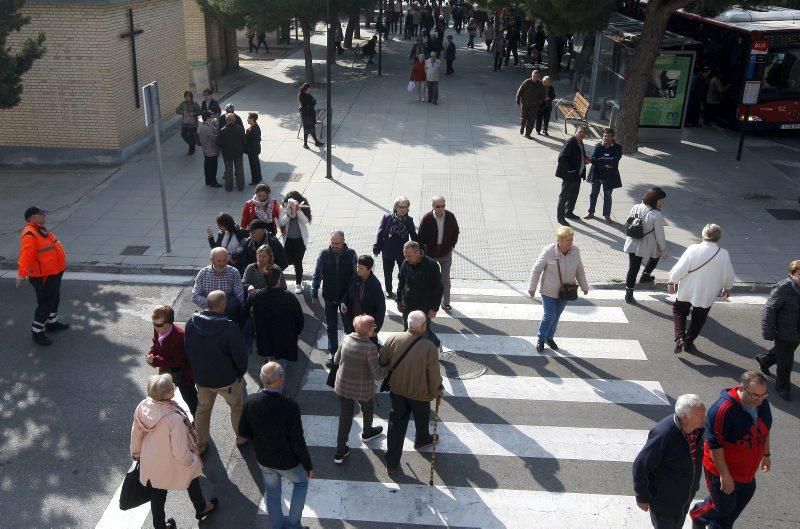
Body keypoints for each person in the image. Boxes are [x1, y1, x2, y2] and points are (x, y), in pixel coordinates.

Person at [130, 374, 218, 529]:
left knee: (158, 495)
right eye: (172, 387)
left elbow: (136, 434)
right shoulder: (174, 418)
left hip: (151, 459)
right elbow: (179, 451)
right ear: (167, 395)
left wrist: (136, 453)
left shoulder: (143, 406)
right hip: (171, 459)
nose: (174, 387)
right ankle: (201, 508)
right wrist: (191, 460)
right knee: (191, 476)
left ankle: (160, 526)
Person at [689, 372, 772, 529]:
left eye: (763, 395)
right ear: (741, 388)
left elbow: (765, 428)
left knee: (733, 511)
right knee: (723, 506)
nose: (760, 400)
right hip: (721, 469)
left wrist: (766, 454)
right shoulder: (723, 410)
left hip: (746, 472)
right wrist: (724, 476)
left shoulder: (761, 402)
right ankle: (698, 514)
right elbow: (715, 445)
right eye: (755, 395)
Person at [238, 362, 313, 529]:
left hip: (264, 458)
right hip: (288, 461)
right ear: (280, 379)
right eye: (283, 374)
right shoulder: (289, 406)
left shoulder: (251, 401)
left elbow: (243, 431)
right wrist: (307, 464)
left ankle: (276, 526)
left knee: (272, 493)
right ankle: (293, 525)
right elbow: (297, 440)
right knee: (300, 484)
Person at [184, 290, 248, 454]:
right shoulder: (230, 327)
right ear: (223, 305)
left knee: (203, 409)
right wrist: (240, 373)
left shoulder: (192, 322)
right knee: (236, 408)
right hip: (227, 379)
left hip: (203, 378)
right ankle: (241, 437)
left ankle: (200, 444)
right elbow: (240, 356)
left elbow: (187, 349)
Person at [379, 310, 443, 474]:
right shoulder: (429, 347)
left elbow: (382, 360)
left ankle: (392, 463)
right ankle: (421, 440)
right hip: (420, 394)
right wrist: (437, 390)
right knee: (422, 417)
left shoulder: (394, 338)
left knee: (396, 424)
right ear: (422, 327)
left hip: (397, 390)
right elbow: (434, 374)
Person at [632, 394, 706, 529]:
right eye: (700, 415)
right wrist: (642, 496)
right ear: (684, 417)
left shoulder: (697, 430)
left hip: (684, 497)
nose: (704, 418)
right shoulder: (664, 434)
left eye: (704, 413)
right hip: (664, 503)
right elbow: (640, 465)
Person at [668, 224, 735, 355]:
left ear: (703, 235)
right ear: (718, 238)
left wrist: (672, 281)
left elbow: (680, 268)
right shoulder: (723, 254)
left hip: (688, 288)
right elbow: (728, 274)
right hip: (707, 293)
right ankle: (688, 341)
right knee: (699, 319)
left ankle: (680, 338)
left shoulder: (693, 249)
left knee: (679, 311)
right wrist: (727, 287)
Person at [332, 314, 387, 463]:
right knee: (367, 408)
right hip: (363, 388)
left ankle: (340, 449)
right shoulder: (370, 347)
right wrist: (389, 366)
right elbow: (377, 375)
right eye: (373, 326)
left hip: (343, 385)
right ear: (369, 331)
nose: (375, 328)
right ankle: (367, 432)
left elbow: (336, 360)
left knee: (345, 416)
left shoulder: (346, 338)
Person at [527, 226, 589, 352]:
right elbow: (536, 270)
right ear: (559, 240)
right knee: (549, 315)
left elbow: (579, 270)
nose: (571, 242)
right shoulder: (549, 251)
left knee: (556, 316)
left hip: (565, 291)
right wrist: (532, 288)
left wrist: (584, 286)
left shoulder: (575, 251)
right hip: (548, 291)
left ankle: (550, 337)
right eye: (568, 240)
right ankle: (541, 338)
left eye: (571, 239)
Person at [17, 206, 69, 346]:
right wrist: (21, 274)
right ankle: (37, 332)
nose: (44, 216)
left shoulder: (40, 229)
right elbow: (26, 255)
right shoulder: (30, 233)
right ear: (32, 217)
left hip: (53, 272)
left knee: (54, 298)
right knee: (45, 303)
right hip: (42, 276)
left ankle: (52, 323)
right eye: (41, 214)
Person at [244, 265, 304, 372]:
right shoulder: (289, 297)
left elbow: (244, 312)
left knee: (270, 360)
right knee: (281, 365)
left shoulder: (256, 295)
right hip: (285, 337)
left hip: (265, 337)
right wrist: (298, 332)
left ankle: (270, 383)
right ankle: (277, 385)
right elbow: (299, 317)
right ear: (279, 279)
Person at [312, 230, 358, 367]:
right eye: (332, 243)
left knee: (348, 326)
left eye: (337, 243)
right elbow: (317, 274)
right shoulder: (324, 254)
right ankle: (333, 352)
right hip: (329, 296)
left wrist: (350, 295)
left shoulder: (351, 255)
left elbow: (354, 277)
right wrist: (314, 293)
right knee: (331, 326)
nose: (335, 246)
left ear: (343, 241)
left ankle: (349, 351)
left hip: (345, 297)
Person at [757, 259, 800, 401]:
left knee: (783, 353)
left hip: (797, 333)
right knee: (786, 362)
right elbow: (769, 310)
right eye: (799, 274)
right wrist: (768, 331)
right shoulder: (783, 288)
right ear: (791, 274)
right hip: (784, 332)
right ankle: (782, 387)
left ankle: (765, 360)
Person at [146, 305, 198, 417]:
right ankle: (164, 420)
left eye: (158, 325)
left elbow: (177, 361)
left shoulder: (179, 336)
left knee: (191, 399)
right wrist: (151, 354)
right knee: (161, 397)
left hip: (183, 374)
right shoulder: (158, 329)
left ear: (168, 325)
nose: (155, 327)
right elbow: (156, 344)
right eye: (153, 323)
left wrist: (155, 361)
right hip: (166, 369)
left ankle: (198, 426)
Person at [623, 187, 668, 304]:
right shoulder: (656, 214)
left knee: (633, 268)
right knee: (656, 255)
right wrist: (663, 249)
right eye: (661, 200)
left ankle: (629, 294)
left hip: (632, 241)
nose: (663, 202)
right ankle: (646, 275)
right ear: (655, 200)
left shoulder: (635, 207)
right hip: (647, 243)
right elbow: (659, 234)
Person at [396, 241, 443, 348]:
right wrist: (398, 300)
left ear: (418, 253)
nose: (406, 258)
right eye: (405, 255)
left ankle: (437, 347)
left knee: (424, 333)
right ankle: (408, 352)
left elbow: (438, 289)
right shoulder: (405, 264)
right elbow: (401, 282)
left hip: (424, 307)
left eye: (409, 256)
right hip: (408, 306)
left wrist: (434, 308)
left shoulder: (431, 265)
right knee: (407, 331)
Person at [417, 196, 459, 311]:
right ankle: (429, 302)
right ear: (433, 207)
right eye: (438, 206)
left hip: (446, 253)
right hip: (430, 254)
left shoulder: (450, 217)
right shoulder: (427, 218)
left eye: (443, 206)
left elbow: (456, 231)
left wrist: (452, 245)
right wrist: (422, 251)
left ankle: (446, 302)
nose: (441, 209)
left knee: (445, 279)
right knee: (430, 279)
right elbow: (420, 236)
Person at [373, 196, 418, 298]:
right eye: (400, 207)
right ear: (395, 208)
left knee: (403, 273)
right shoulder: (387, 218)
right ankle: (388, 290)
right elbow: (380, 233)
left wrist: (420, 247)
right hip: (388, 250)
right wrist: (376, 247)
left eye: (405, 207)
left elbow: (413, 235)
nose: (402, 209)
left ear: (407, 208)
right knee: (388, 272)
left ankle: (401, 290)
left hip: (402, 252)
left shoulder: (409, 220)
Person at [192, 247, 245, 322]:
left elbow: (240, 296)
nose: (222, 264)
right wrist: (212, 306)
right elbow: (195, 295)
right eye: (219, 261)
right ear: (211, 260)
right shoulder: (203, 273)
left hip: (229, 314)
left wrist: (225, 307)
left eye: (224, 260)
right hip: (209, 315)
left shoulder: (234, 272)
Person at [341, 255, 386, 343]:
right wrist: (343, 302)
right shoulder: (354, 277)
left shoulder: (375, 285)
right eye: (357, 267)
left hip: (366, 326)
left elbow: (381, 309)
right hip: (352, 323)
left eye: (361, 268)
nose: (358, 270)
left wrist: (375, 330)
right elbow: (347, 292)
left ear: (369, 269)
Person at [584, 128, 623, 223]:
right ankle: (591, 212)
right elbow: (593, 159)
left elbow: (615, 160)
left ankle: (607, 215)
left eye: (609, 136)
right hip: (597, 174)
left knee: (608, 196)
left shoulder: (617, 147)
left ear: (613, 137)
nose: (606, 138)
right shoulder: (598, 146)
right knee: (593, 194)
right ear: (603, 136)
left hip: (609, 176)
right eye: (605, 136)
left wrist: (600, 160)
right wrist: (605, 163)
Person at [555, 124, 589, 226]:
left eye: (583, 133)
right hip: (570, 175)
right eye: (580, 132)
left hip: (577, 175)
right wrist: (571, 170)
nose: (581, 134)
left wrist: (585, 159)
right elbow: (561, 157)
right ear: (575, 132)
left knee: (574, 195)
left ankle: (568, 212)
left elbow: (580, 155)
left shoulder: (580, 142)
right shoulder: (571, 142)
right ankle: (560, 218)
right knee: (564, 196)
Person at [278, 191, 312, 294]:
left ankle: (298, 283)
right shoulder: (284, 207)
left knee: (298, 262)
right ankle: (279, 281)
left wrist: (298, 210)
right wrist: (288, 214)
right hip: (288, 240)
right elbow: (281, 222)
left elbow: (305, 221)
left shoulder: (303, 207)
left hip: (300, 240)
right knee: (285, 261)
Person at [218, 113, 246, 192]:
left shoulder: (222, 130)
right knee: (239, 169)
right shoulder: (240, 129)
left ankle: (229, 187)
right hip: (238, 153)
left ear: (226, 120)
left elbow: (219, 143)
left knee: (228, 170)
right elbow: (244, 141)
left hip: (227, 154)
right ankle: (240, 187)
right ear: (234, 120)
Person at [516, 70, 545, 139]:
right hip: (525, 104)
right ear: (531, 76)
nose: (535, 78)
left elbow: (543, 95)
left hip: (534, 106)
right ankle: (522, 126)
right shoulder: (527, 82)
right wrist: (518, 101)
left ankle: (528, 133)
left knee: (531, 120)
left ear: (538, 77)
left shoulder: (540, 84)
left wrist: (540, 102)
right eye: (533, 76)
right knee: (524, 118)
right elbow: (519, 91)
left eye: (536, 76)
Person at [197, 110, 222, 187]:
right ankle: (213, 182)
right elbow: (215, 139)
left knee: (207, 166)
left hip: (206, 150)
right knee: (213, 167)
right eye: (211, 117)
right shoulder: (208, 128)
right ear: (207, 118)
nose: (212, 118)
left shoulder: (201, 126)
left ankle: (208, 181)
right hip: (212, 150)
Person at [298, 83, 324, 149]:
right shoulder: (302, 95)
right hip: (306, 115)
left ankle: (316, 142)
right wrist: (311, 104)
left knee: (312, 128)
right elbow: (306, 106)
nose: (311, 89)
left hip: (310, 114)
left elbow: (314, 101)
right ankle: (305, 144)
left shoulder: (308, 95)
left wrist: (311, 104)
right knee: (307, 129)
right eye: (310, 88)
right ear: (307, 88)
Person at [175, 91, 201, 155]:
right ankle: (193, 143)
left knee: (192, 136)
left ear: (191, 97)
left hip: (193, 124)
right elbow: (177, 110)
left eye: (188, 96)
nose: (186, 97)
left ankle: (191, 150)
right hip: (185, 123)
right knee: (183, 135)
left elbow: (199, 112)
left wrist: (193, 113)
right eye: (185, 96)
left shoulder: (195, 104)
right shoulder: (183, 103)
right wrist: (183, 112)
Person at [244, 112, 262, 185]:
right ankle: (258, 177)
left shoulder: (254, 129)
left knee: (253, 165)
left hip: (253, 151)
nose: (247, 120)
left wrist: (250, 149)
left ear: (252, 119)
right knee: (256, 164)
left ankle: (255, 180)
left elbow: (255, 141)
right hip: (254, 150)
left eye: (248, 118)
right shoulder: (253, 127)